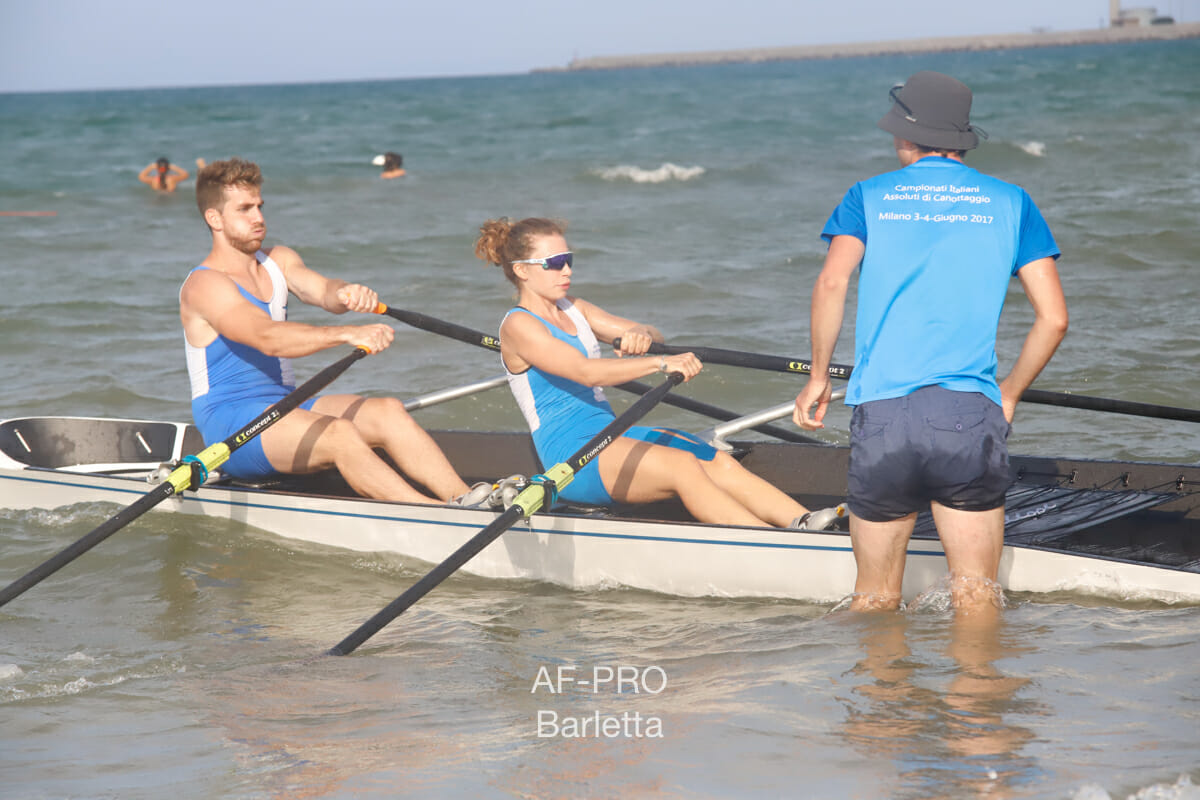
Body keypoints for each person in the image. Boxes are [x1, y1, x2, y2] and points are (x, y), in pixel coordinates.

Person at [793, 71, 1069, 612]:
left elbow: (831, 282)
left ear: (905, 135)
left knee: (872, 601)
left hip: (884, 413)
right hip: (968, 412)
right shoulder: (1013, 201)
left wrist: (819, 377)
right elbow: (1054, 319)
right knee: (976, 597)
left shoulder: (866, 196)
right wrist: (1008, 394)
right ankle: (977, 695)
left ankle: (885, 696)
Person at [477, 216, 840, 529]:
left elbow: (653, 334)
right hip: (572, 456)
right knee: (683, 467)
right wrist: (660, 363)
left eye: (569, 259)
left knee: (710, 457)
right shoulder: (519, 326)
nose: (567, 270)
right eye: (555, 262)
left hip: (610, 435)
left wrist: (641, 336)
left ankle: (805, 523)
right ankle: (771, 543)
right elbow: (585, 372)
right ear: (522, 270)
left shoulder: (575, 309)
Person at [180, 157, 488, 505]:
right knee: (339, 433)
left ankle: (467, 501)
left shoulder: (277, 260)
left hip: (284, 407)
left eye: (260, 206)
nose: (259, 218)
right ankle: (434, 515)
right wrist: (344, 334)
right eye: (245, 209)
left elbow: (322, 290)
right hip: (232, 429)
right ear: (214, 219)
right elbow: (266, 338)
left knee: (388, 411)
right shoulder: (205, 285)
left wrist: (345, 294)